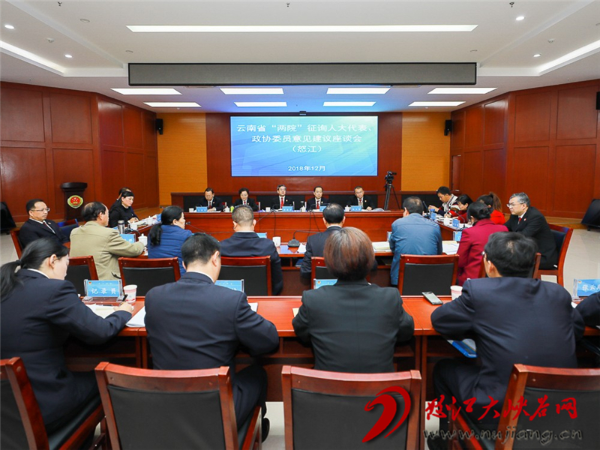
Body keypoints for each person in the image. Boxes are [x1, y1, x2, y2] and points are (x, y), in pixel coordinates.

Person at [430, 233, 583, 442]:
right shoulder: (557, 293)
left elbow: (440, 320)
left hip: (499, 409)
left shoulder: (479, 291)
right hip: (561, 405)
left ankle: (444, 441)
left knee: (442, 368)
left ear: (490, 265)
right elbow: (576, 330)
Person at [145, 233, 278, 439]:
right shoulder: (231, 300)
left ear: (184, 264)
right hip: (217, 408)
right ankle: (257, 430)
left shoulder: (153, 297)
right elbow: (269, 340)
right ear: (216, 258)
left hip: (166, 402)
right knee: (258, 373)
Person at [0, 238, 133, 432]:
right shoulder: (54, 290)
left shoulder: (5, 286)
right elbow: (100, 331)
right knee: (108, 377)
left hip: (6, 410)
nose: (66, 272)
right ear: (53, 260)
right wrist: (123, 312)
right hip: (42, 405)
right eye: (66, 265)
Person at [293, 227, 414, 373]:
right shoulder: (390, 298)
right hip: (381, 387)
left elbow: (302, 333)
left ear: (330, 262)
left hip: (329, 386)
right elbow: (406, 333)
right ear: (370, 260)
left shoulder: (313, 299)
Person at [70, 202, 145, 280]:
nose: (108, 218)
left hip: (79, 281)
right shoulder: (108, 233)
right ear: (100, 215)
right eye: (107, 214)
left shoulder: (74, 232)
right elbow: (133, 250)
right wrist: (141, 243)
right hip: (106, 282)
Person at [219, 206, 284, 295]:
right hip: (262, 298)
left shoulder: (222, 247)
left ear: (234, 224)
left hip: (230, 298)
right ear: (254, 222)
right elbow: (278, 282)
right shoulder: (267, 246)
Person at [389, 196, 442, 286]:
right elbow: (439, 252)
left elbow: (393, 248)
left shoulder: (397, 224)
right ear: (423, 212)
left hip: (402, 278)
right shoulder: (435, 226)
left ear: (405, 211)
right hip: (429, 278)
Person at [456, 202, 508, 285]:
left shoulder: (469, 232)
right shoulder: (504, 229)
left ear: (472, 218)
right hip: (499, 277)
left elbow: (460, 261)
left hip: (474, 278)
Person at [504, 192, 558, 269]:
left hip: (541, 255)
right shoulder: (514, 215)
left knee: (506, 261)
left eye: (512, 205)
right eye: (509, 205)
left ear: (523, 205)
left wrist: (505, 239)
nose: (510, 207)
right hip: (526, 251)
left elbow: (523, 236)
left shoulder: (536, 217)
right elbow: (504, 228)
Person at [299, 203, 345, 279]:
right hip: (348, 285)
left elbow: (305, 271)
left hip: (321, 284)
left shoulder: (313, 240)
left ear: (324, 220)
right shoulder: (355, 239)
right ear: (344, 219)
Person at [148, 206, 192, 274]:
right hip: (178, 277)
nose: (184, 221)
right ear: (175, 221)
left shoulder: (153, 233)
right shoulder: (186, 235)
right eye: (183, 218)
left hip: (154, 276)